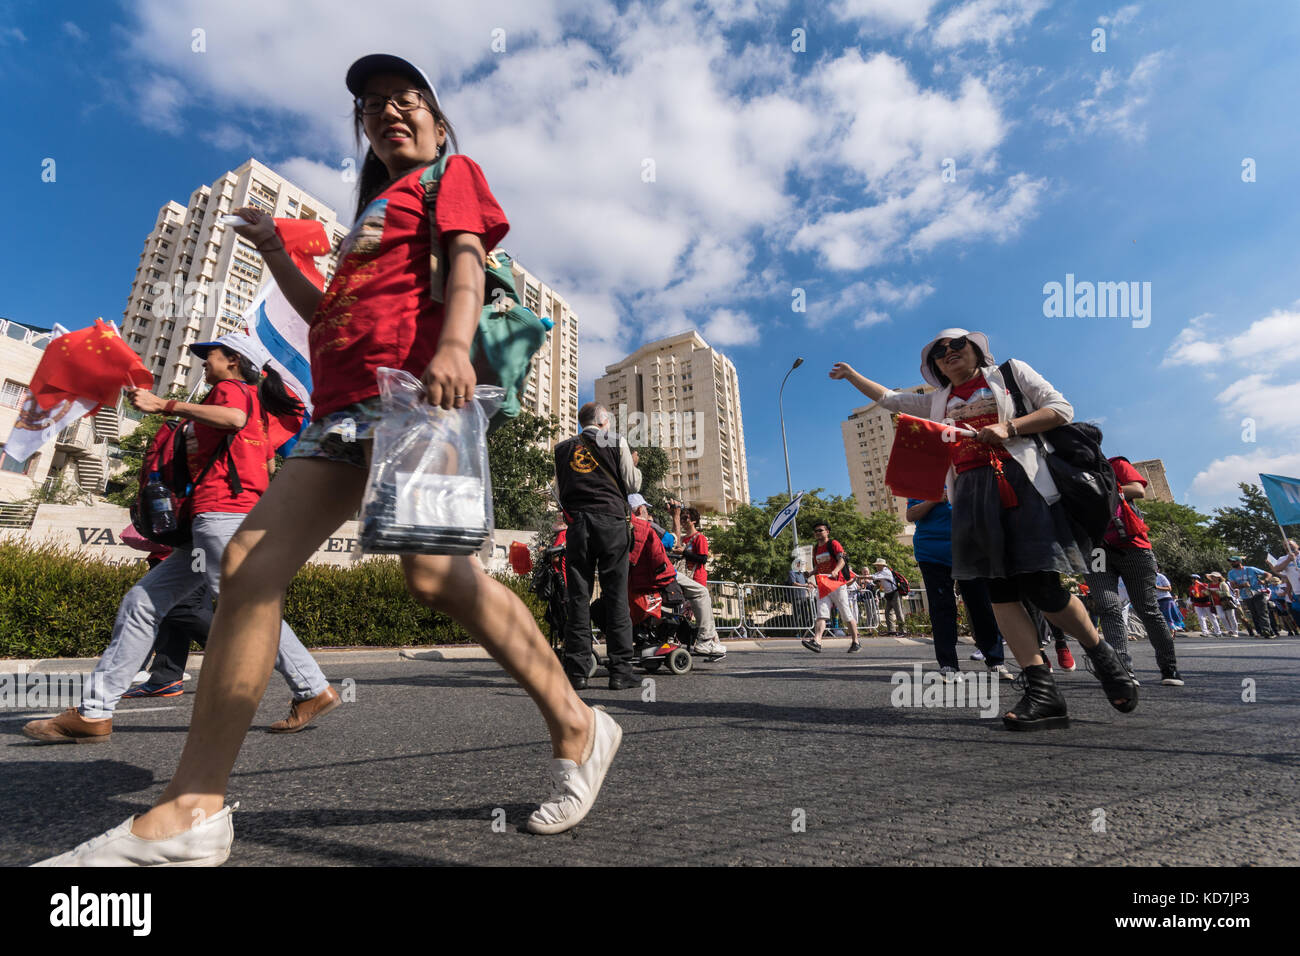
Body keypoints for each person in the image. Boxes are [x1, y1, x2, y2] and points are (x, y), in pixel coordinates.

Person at [36, 55, 618, 864]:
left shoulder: (450, 176)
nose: (388, 113)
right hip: (340, 413)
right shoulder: (369, 216)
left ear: (438, 123)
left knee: (437, 579)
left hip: (421, 396)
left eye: (406, 101)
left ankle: (578, 724)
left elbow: (467, 264)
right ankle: (195, 809)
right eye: (374, 107)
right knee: (246, 564)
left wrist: (453, 347)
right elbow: (325, 314)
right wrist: (277, 249)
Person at [23, 333, 338, 744]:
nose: (205, 362)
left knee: (246, 608)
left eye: (211, 355)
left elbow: (234, 420)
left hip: (223, 515)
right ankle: (94, 712)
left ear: (234, 360)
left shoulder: (233, 391)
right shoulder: (247, 402)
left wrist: (163, 404)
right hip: (208, 524)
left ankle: (311, 687)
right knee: (143, 603)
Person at [830, 327, 1138, 731]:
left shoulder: (1010, 374)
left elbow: (1060, 408)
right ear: (935, 365)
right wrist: (853, 375)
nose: (949, 353)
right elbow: (888, 399)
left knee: (1043, 584)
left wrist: (1009, 429)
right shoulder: (937, 399)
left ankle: (1101, 654)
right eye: (940, 351)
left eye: (958, 345)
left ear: (977, 350)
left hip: (1023, 485)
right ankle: (1042, 691)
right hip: (973, 496)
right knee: (999, 590)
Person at [1073, 423, 1183, 686]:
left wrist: (1099, 489)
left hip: (1132, 545)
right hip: (1097, 550)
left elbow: (1137, 489)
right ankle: (1123, 670)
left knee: (1147, 608)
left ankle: (1169, 668)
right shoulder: (1069, 475)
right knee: (1108, 606)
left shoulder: (1115, 464)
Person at [554, 402, 643, 690]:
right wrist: (635, 466)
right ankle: (620, 671)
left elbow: (558, 492)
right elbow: (632, 484)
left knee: (578, 596)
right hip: (612, 524)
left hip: (578, 526)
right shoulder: (616, 441)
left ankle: (577, 671)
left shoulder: (563, 448)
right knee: (616, 595)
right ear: (603, 419)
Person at [906, 495, 1013, 682]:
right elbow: (911, 515)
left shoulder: (966, 476)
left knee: (981, 606)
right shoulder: (922, 480)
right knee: (942, 608)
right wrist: (936, 498)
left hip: (969, 550)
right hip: (932, 554)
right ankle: (948, 665)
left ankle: (995, 661)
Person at [636, 496, 724, 658]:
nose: (648, 513)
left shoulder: (699, 538)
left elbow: (702, 558)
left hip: (688, 576)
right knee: (698, 599)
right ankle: (706, 640)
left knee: (691, 608)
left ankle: (711, 641)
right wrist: (674, 517)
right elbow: (673, 543)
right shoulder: (648, 526)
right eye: (646, 509)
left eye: (685, 519)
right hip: (663, 576)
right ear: (639, 510)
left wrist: (683, 551)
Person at [801, 521, 862, 652]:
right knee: (821, 614)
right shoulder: (815, 548)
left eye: (820, 530)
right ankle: (817, 641)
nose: (817, 533)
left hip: (837, 583)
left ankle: (855, 641)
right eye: (816, 531)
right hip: (823, 584)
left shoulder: (833, 544)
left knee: (846, 614)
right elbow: (819, 566)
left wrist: (835, 570)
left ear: (827, 532)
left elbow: (842, 559)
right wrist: (810, 573)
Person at [1228, 556, 1275, 639]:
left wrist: (1264, 581)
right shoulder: (1231, 573)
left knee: (1262, 612)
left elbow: (1269, 574)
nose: (1232, 563)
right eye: (1231, 562)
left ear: (1239, 561)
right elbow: (1233, 586)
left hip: (1258, 593)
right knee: (1254, 614)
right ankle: (1261, 631)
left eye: (1234, 561)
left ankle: (1267, 631)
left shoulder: (1250, 569)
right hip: (1246, 595)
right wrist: (1242, 585)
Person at [870, 557, 906, 634]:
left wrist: (860, 577)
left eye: (878, 565)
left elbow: (873, 577)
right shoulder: (880, 573)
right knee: (888, 612)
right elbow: (874, 577)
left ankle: (903, 631)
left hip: (895, 593)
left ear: (882, 565)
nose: (876, 567)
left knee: (898, 613)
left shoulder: (886, 572)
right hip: (889, 594)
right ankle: (891, 631)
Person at [1207, 572, 1239, 637]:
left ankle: (1235, 632)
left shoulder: (1223, 584)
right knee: (1221, 617)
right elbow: (1208, 594)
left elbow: (1227, 594)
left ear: (1218, 577)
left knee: (1231, 616)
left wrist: (1216, 592)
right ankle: (1229, 630)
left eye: (1215, 576)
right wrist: (1206, 592)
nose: (1213, 578)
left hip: (1226, 602)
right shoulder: (1209, 585)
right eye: (1212, 577)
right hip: (1216, 603)